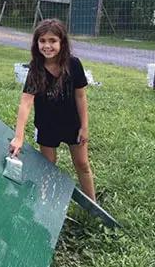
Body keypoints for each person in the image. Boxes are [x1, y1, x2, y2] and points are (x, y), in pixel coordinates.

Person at [8, 19, 96, 201]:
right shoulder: (35, 69)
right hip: (47, 126)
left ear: (62, 42)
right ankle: (46, 203)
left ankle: (93, 206)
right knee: (48, 167)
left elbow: (81, 96)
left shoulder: (74, 64)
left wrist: (84, 127)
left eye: (52, 41)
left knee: (82, 164)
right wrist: (19, 136)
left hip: (73, 124)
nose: (47, 46)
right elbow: (26, 102)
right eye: (42, 41)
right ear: (36, 43)